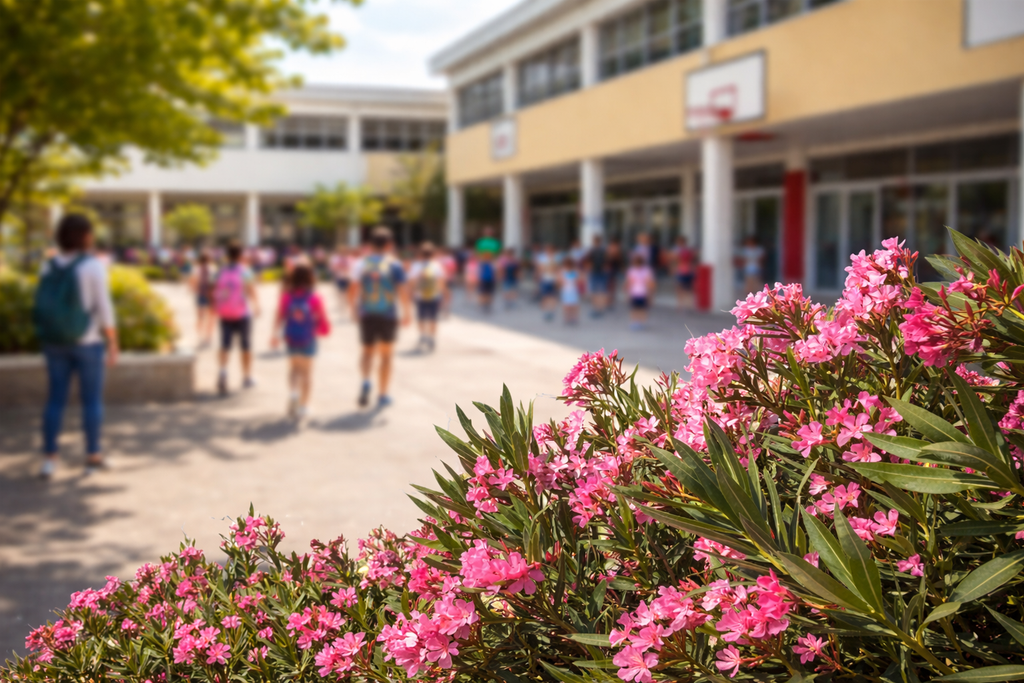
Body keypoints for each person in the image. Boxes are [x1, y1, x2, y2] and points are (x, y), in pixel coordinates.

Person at [33, 214, 119, 478]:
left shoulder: (48, 266)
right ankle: (92, 455)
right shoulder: (92, 265)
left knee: (54, 400)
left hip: (54, 341)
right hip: (88, 342)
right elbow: (104, 307)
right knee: (91, 401)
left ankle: (50, 459)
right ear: (85, 236)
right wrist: (113, 341)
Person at [350, 226, 411, 408]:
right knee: (386, 356)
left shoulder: (361, 263)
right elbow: (402, 290)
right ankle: (383, 394)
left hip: (367, 313)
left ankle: (366, 380)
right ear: (389, 244)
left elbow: (353, 288)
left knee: (367, 351)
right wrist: (407, 312)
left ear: (370, 244)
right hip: (388, 314)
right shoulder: (395, 265)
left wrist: (353, 309)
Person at [270, 264, 330, 421]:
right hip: (308, 338)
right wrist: (323, 329)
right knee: (307, 373)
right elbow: (322, 317)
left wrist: (274, 335)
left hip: (291, 337)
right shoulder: (314, 296)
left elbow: (279, 316)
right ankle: (304, 406)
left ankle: (293, 394)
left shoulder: (286, 296)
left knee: (294, 368)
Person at [214, 241, 260, 396]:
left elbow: (213, 287)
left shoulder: (220, 270)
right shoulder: (245, 271)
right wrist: (257, 306)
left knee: (224, 344)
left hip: (224, 312)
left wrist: (216, 306)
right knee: (245, 345)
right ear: (241, 255)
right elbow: (251, 289)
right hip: (242, 313)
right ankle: (247, 377)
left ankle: (223, 371)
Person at [409, 242, 447, 352]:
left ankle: (422, 335)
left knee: (421, 317)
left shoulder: (416, 265)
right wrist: (443, 293)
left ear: (420, 254)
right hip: (434, 295)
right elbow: (441, 282)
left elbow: (411, 282)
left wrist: (412, 291)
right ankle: (432, 338)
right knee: (433, 318)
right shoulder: (437, 265)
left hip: (419, 296)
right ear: (433, 254)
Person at [189, 251, 217, 348]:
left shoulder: (196, 269)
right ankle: (208, 336)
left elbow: (192, 281)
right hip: (211, 295)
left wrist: (194, 289)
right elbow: (216, 282)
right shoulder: (213, 268)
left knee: (200, 317)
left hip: (200, 294)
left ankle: (199, 335)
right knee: (211, 317)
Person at [625, 252, 655, 331]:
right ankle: (638, 322)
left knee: (638, 309)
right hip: (638, 292)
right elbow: (629, 282)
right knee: (638, 309)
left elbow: (649, 283)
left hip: (639, 292)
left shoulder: (637, 270)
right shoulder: (643, 270)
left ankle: (638, 322)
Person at [586, 235, 611, 317]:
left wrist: (589, 268)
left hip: (596, 272)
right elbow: (608, 262)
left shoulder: (593, 250)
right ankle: (599, 308)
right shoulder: (604, 250)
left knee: (597, 291)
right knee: (600, 291)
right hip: (599, 272)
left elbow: (588, 262)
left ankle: (597, 308)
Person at [535, 243, 560, 321]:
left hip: (554, 279)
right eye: (547, 249)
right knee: (545, 296)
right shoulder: (542, 258)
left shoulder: (557, 258)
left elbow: (558, 269)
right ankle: (546, 311)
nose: (548, 251)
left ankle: (551, 312)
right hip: (545, 279)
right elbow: (540, 268)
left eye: (550, 250)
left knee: (553, 296)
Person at [329, 245, 354, 318]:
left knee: (347, 294)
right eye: (341, 251)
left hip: (348, 278)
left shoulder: (350, 258)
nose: (343, 253)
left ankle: (346, 307)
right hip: (339, 277)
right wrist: (338, 267)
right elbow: (332, 267)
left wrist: (346, 268)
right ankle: (341, 308)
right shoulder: (335, 258)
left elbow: (352, 267)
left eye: (344, 251)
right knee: (340, 294)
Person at [672, 235, 697, 309]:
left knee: (684, 288)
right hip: (685, 270)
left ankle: (684, 304)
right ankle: (684, 304)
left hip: (684, 270)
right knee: (684, 288)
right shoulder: (686, 250)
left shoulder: (681, 250)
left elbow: (675, 261)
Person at [559, 257, 583, 325]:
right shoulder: (563, 271)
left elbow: (580, 279)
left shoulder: (575, 271)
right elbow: (560, 280)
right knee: (568, 305)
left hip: (571, 290)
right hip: (568, 290)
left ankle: (571, 318)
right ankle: (569, 318)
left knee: (572, 305)